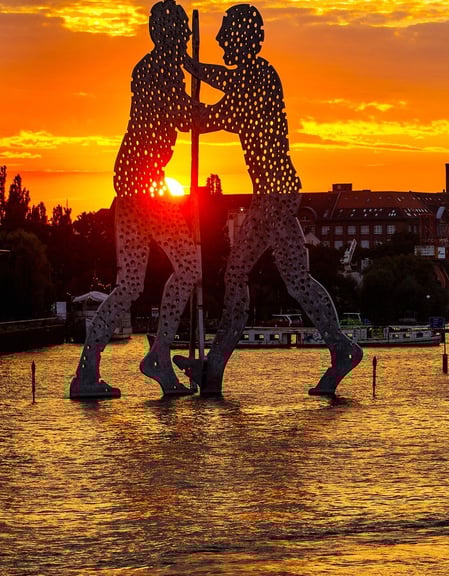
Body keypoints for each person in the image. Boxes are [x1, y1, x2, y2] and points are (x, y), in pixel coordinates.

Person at [176, 4, 362, 395]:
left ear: (243, 38)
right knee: (296, 279)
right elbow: (223, 79)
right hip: (275, 194)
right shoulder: (250, 75)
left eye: (227, 33)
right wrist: (191, 66)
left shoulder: (258, 78)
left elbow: (213, 115)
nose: (221, 40)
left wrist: (182, 103)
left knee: (237, 275)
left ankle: (214, 369)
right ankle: (340, 347)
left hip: (274, 197)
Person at [71, 0, 198, 398]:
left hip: (134, 184)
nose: (187, 42)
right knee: (191, 268)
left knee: (128, 285)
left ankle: (87, 373)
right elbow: (185, 116)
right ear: (166, 35)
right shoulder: (157, 69)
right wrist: (232, 112)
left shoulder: (155, 67)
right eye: (183, 35)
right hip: (142, 187)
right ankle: (158, 356)